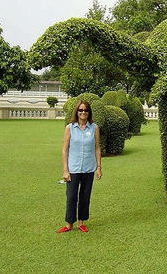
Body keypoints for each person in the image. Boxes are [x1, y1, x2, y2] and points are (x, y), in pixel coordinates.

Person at [56, 100, 102, 233]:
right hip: (73, 168)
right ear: (76, 112)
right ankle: (69, 223)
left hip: (88, 167)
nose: (83, 112)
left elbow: (97, 148)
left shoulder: (94, 128)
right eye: (80, 110)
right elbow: (65, 149)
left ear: (89, 113)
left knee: (85, 196)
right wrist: (65, 170)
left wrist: (99, 167)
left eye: (86, 110)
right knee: (71, 196)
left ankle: (81, 222)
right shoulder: (70, 128)